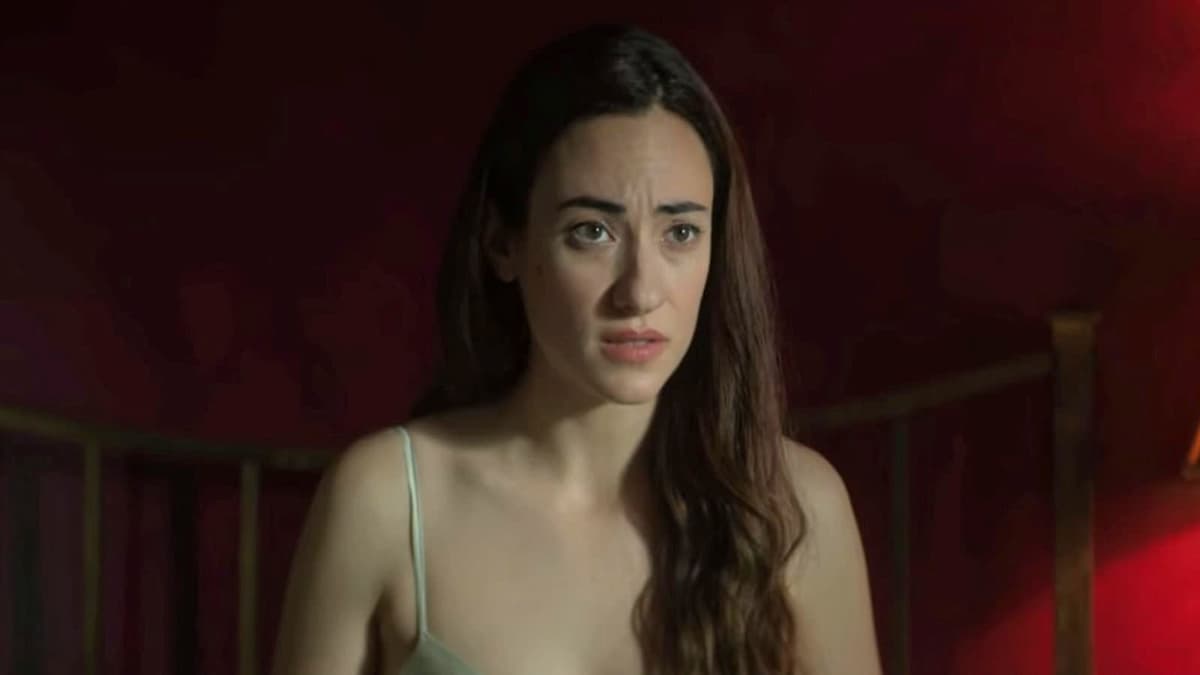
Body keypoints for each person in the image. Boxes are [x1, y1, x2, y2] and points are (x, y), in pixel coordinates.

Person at [270, 23, 880, 675]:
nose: (640, 291)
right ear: (503, 242)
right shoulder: (386, 500)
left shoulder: (794, 508)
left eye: (679, 232)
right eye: (591, 231)